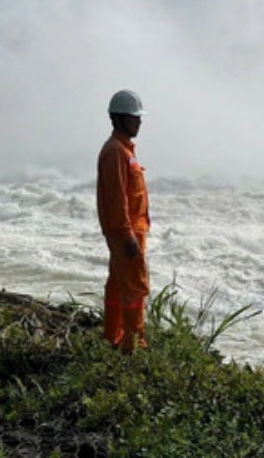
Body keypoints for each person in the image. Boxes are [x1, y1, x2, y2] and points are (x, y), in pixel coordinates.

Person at [96, 89, 150, 353]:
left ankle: (113, 338)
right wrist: (128, 234)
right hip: (126, 233)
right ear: (118, 119)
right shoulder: (116, 152)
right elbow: (117, 198)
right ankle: (133, 346)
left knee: (118, 286)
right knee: (135, 289)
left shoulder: (123, 150)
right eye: (134, 117)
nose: (139, 122)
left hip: (128, 230)